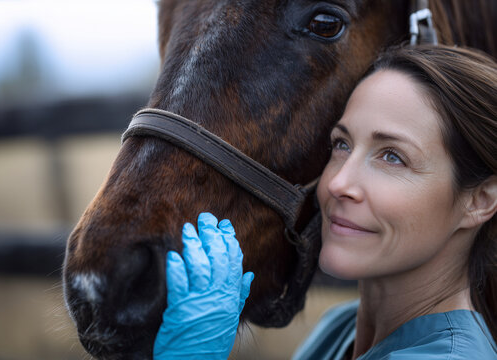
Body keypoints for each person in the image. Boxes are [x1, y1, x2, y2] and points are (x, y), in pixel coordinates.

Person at [152, 45, 497, 359]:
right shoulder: (340, 328)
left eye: (392, 157)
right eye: (341, 145)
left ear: (481, 200)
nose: (337, 182)